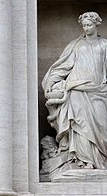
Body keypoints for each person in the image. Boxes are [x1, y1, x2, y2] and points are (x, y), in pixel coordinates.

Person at [42, 12, 107, 169]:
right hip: (77, 89)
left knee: (102, 125)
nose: (86, 28)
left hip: (99, 90)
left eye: (89, 25)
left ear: (96, 24)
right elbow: (63, 65)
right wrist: (52, 80)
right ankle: (84, 161)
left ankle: (100, 160)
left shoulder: (104, 44)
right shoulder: (75, 45)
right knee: (80, 125)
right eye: (84, 25)